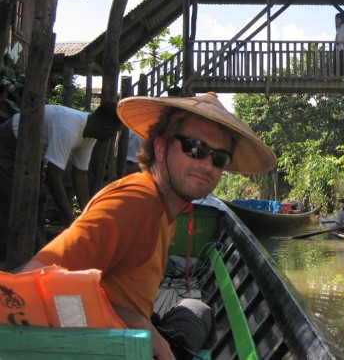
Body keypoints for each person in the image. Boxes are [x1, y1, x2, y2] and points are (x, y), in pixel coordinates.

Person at [20, 92, 277, 360]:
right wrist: (134, 322)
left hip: (128, 334)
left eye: (219, 158)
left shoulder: (163, 209)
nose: (206, 164)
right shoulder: (135, 204)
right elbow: (30, 291)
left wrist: (140, 322)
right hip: (108, 347)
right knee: (197, 315)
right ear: (161, 147)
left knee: (197, 310)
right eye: (194, 147)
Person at [0, 102, 122, 258]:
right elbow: (53, 176)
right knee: (13, 198)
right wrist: (71, 220)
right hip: (9, 143)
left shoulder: (90, 136)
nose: (113, 137)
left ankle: (33, 253)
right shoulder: (69, 128)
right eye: (115, 132)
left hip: (30, 152)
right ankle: (13, 259)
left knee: (37, 198)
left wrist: (87, 215)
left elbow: (80, 175)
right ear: (106, 128)